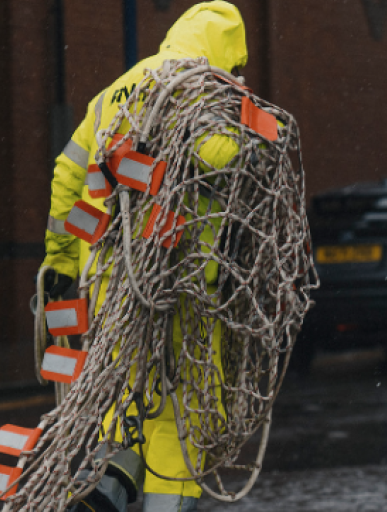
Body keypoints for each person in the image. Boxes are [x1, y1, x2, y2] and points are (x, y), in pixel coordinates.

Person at [40, 3, 248, 511]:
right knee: (184, 409)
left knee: (127, 392)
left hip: (116, 284)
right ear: (223, 52)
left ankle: (107, 486)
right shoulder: (207, 92)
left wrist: (61, 265)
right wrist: (257, 135)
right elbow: (218, 156)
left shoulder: (113, 92)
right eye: (237, 66)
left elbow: (69, 177)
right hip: (187, 282)